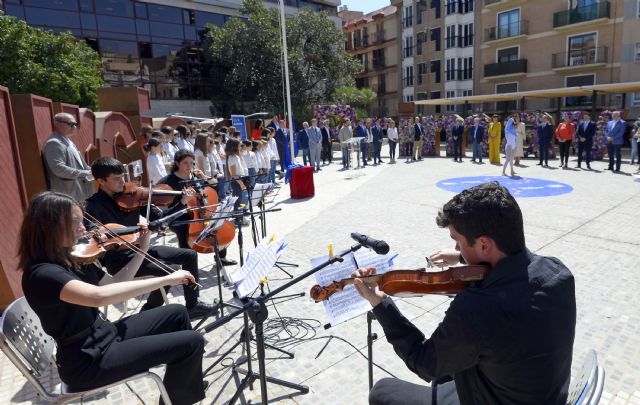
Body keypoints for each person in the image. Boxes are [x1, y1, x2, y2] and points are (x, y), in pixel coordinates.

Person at [354, 182, 576, 405]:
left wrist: (380, 303)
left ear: (484, 244)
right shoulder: (559, 273)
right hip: (538, 392)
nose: (458, 250)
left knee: (382, 391)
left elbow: (423, 362)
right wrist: (462, 257)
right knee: (450, 365)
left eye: (458, 242)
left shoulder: (476, 309)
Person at [18, 191, 206, 405]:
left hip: (103, 335)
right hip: (86, 361)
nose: (83, 228)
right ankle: (180, 395)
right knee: (192, 342)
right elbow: (99, 297)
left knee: (177, 313)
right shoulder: (42, 273)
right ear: (48, 227)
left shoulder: (71, 257)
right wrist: (165, 280)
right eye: (74, 223)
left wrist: (142, 249)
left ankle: (183, 387)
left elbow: (114, 284)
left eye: (82, 221)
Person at [84, 157, 216, 319]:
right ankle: (147, 313)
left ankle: (193, 304)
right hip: (120, 259)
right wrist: (125, 235)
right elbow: (95, 236)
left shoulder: (133, 195)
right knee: (168, 270)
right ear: (101, 181)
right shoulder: (93, 206)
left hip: (141, 248)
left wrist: (182, 202)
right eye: (116, 179)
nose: (122, 182)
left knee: (189, 254)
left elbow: (161, 218)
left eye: (123, 176)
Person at [157, 150, 236, 267]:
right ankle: (187, 264)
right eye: (185, 163)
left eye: (192, 163)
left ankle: (221, 257)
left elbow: (214, 184)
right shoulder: (168, 181)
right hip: (179, 216)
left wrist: (203, 176)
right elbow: (158, 200)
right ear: (177, 163)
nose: (189, 166)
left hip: (201, 212)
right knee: (184, 229)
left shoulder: (195, 176)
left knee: (218, 223)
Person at [42, 112, 94, 202]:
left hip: (80, 193)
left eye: (75, 124)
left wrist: (97, 171)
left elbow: (82, 166)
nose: (74, 127)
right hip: (67, 196)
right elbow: (59, 169)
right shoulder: (54, 143)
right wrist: (86, 173)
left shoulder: (69, 141)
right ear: (57, 124)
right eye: (70, 124)